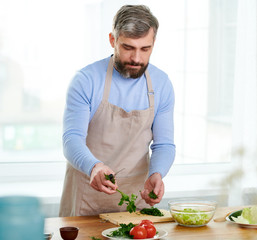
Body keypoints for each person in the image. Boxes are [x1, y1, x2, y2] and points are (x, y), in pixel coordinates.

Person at [59, 5, 175, 217]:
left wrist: (157, 173)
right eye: (128, 47)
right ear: (113, 40)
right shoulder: (86, 80)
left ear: (153, 44)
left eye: (145, 49)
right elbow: (71, 139)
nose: (137, 59)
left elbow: (164, 144)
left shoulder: (161, 84)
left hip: (136, 200)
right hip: (87, 197)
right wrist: (94, 167)